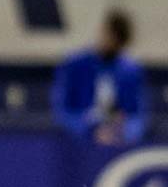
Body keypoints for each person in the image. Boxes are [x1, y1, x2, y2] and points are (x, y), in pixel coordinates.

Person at [52, 9, 148, 145]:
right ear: (103, 31)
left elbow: (137, 115)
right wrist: (90, 130)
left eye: (118, 42)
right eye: (110, 36)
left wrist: (123, 132)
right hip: (78, 146)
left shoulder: (130, 70)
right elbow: (62, 110)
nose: (111, 43)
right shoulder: (75, 65)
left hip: (116, 143)